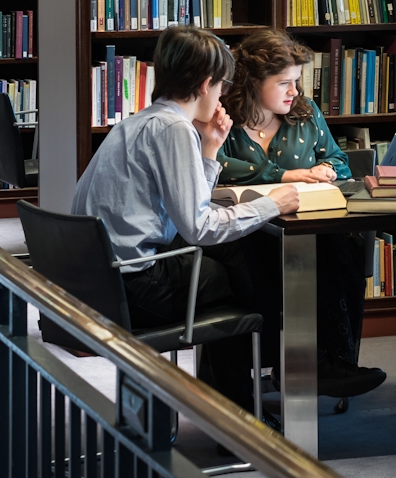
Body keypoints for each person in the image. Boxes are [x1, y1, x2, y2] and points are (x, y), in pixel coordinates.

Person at [71, 25, 299, 413]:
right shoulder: (174, 129)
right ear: (208, 83)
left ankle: (234, 402)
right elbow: (199, 227)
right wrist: (271, 205)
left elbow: (186, 211)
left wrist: (210, 151)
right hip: (132, 286)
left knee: (229, 266)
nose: (224, 94)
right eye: (224, 85)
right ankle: (240, 412)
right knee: (237, 280)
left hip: (95, 283)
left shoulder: (142, 121)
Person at [218, 29, 387, 399]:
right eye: (284, 83)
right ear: (252, 82)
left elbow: (340, 163)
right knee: (281, 268)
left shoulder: (305, 113)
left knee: (339, 249)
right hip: (245, 234)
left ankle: (327, 362)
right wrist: (284, 175)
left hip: (303, 227)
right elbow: (214, 167)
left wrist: (328, 170)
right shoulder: (222, 117)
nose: (294, 91)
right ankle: (300, 365)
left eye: (296, 81)